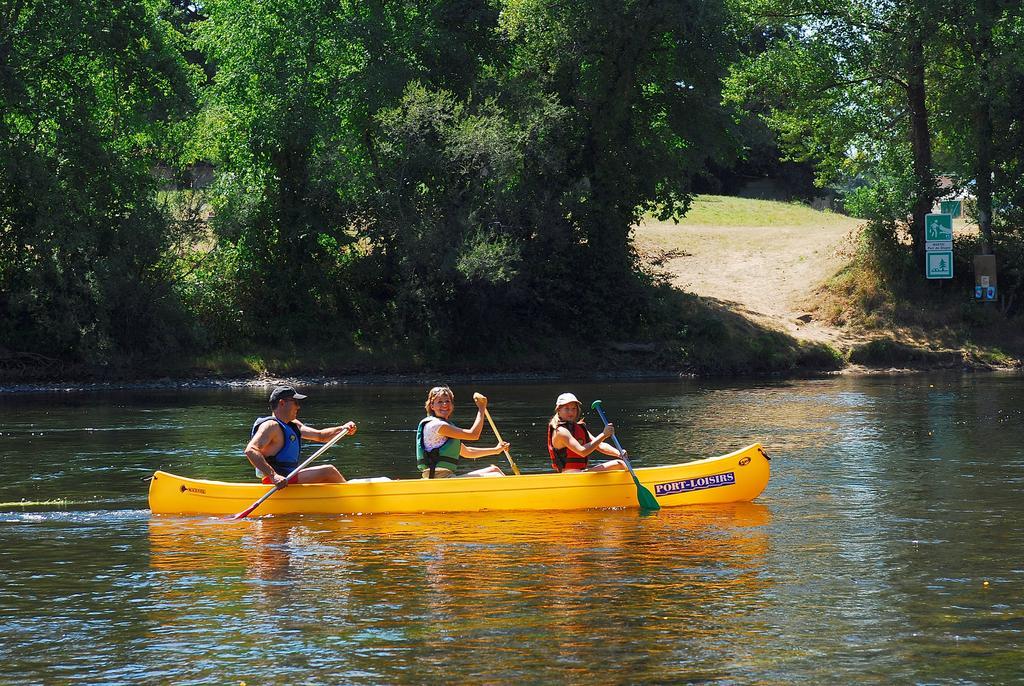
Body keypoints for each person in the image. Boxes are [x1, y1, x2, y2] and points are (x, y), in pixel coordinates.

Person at [244, 386, 357, 486]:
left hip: (289, 477)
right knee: (328, 471)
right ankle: (352, 499)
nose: (298, 407)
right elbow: (250, 450)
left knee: (328, 476)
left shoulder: (294, 425)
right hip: (277, 481)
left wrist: (343, 429)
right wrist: (274, 476)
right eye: (295, 402)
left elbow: (320, 436)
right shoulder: (270, 425)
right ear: (282, 403)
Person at [416, 386, 510, 478]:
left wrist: (496, 450)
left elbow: (467, 452)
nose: (445, 404)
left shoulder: (446, 428)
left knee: (494, 470)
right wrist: (481, 409)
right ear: (432, 406)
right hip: (439, 478)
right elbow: (474, 435)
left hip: (446, 477)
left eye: (447, 401)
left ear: (452, 405)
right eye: (440, 402)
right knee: (496, 476)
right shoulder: (436, 425)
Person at [546, 392, 627, 473]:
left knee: (621, 464)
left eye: (573, 408)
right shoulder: (560, 431)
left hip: (581, 474)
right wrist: (604, 435)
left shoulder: (579, 428)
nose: (571, 412)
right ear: (559, 410)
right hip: (569, 477)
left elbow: (600, 445)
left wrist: (619, 453)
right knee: (619, 464)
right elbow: (582, 451)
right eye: (567, 409)